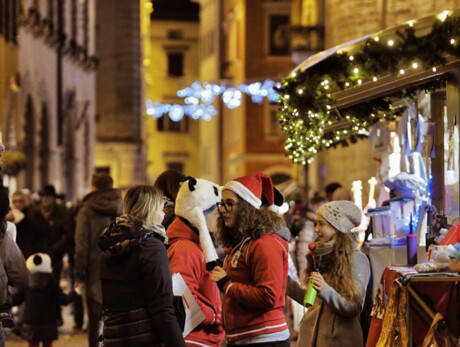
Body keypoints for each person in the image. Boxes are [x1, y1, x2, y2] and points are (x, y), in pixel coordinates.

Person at [98, 185, 186, 347]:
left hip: (114, 336)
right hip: (144, 338)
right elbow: (162, 307)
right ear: (151, 211)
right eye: (161, 209)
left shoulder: (111, 243)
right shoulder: (151, 246)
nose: (163, 215)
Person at [211, 172, 291, 346]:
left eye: (230, 204)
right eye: (222, 204)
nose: (223, 210)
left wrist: (227, 284)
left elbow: (268, 296)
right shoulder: (243, 242)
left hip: (264, 339)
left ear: (247, 207)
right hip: (245, 337)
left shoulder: (265, 243)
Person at [286, 200, 371, 346]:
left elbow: (355, 307)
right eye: (316, 223)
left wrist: (325, 289)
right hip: (310, 339)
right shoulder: (322, 255)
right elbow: (312, 300)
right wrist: (284, 281)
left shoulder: (357, 259)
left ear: (337, 228)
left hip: (339, 341)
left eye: (321, 224)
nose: (316, 229)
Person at [167, 177, 225, 346]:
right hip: (196, 339)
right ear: (200, 213)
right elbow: (180, 296)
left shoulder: (191, 244)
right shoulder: (187, 249)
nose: (219, 216)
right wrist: (212, 315)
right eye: (215, 211)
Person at [74, 173, 122, 347]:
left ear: (93, 187)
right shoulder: (121, 206)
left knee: (95, 322)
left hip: (95, 270)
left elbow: (81, 245)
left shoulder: (86, 210)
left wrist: (79, 274)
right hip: (119, 269)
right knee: (117, 320)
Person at [13, 253, 78, 347]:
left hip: (31, 324)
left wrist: (4, 300)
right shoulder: (52, 282)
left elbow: (16, 299)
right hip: (49, 324)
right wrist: (76, 291)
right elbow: (64, 300)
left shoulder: (26, 282)